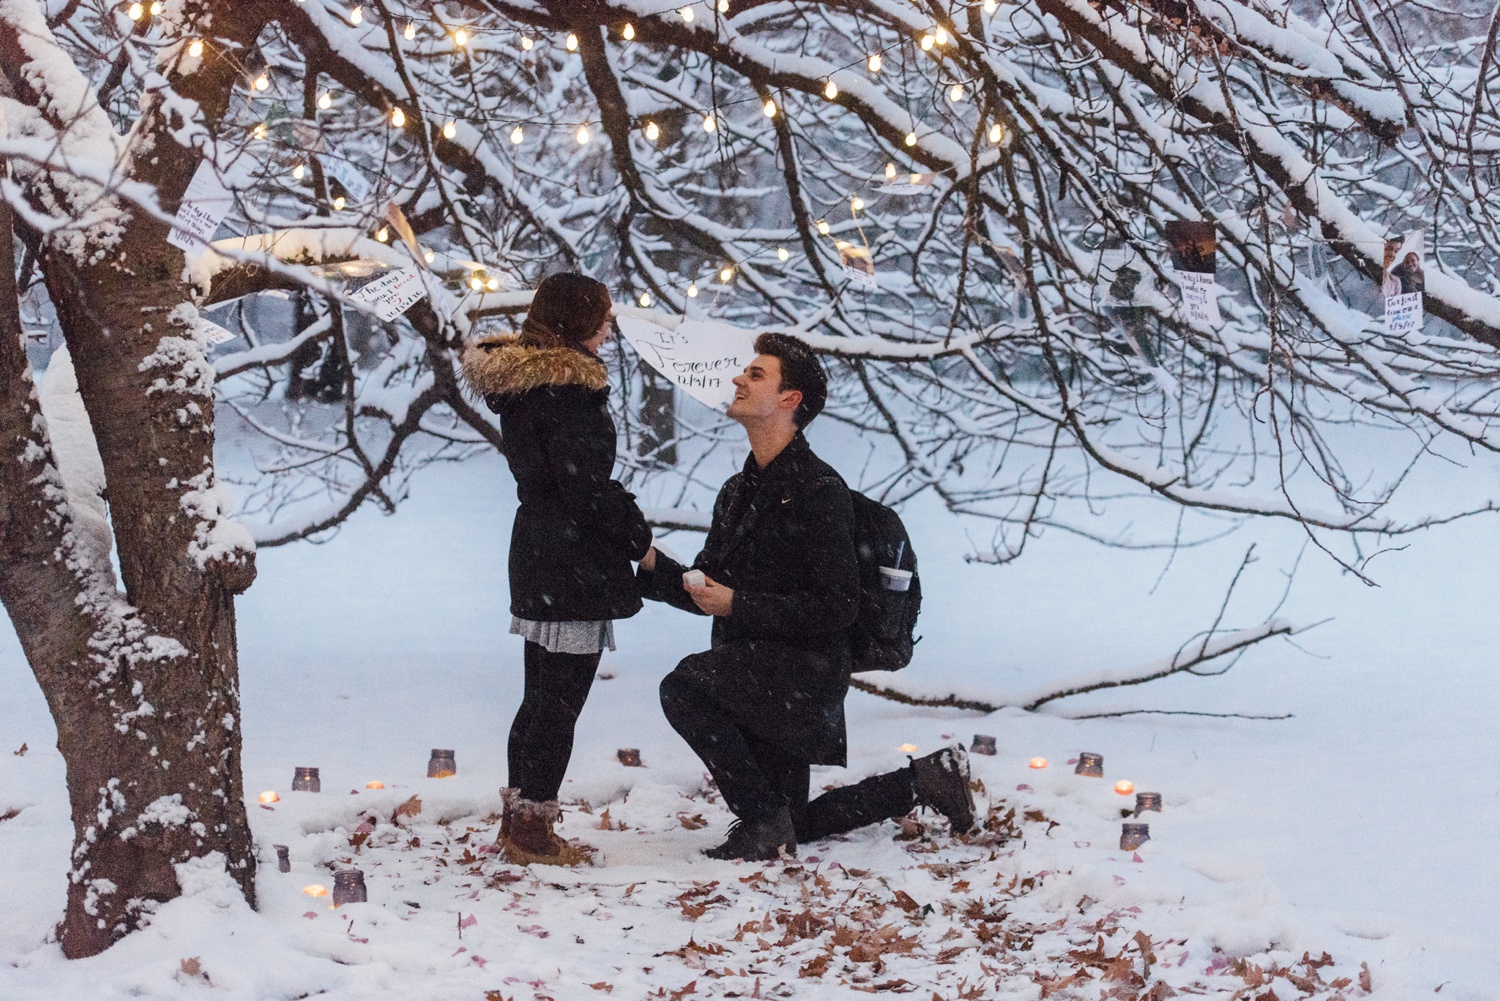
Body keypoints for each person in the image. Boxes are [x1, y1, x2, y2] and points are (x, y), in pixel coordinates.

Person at [639, 333, 974, 862]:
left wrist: (737, 605)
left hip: (800, 673)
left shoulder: (819, 492)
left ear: (790, 401)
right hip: (752, 671)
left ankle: (765, 824)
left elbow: (836, 605)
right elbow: (711, 588)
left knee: (683, 688)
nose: (737, 381)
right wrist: (649, 564)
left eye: (755, 375)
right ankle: (924, 782)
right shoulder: (737, 490)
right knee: (785, 819)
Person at [461, 273, 653, 866]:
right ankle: (531, 833)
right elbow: (586, 489)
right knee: (558, 703)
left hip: (543, 554)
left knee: (540, 697)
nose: (609, 326)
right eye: (603, 317)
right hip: (572, 563)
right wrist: (637, 536)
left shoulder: (529, 388)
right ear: (576, 323)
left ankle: (519, 821)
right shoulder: (568, 393)